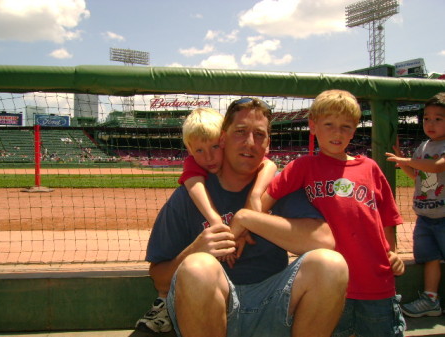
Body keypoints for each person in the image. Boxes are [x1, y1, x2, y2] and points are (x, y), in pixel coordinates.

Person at [143, 97, 348, 337]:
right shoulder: (189, 195)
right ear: (223, 138)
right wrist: (195, 250)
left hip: (274, 304)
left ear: (268, 144)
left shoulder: (278, 186)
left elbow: (324, 241)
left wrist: (248, 218)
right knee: (198, 267)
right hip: (209, 310)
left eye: (259, 135)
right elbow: (160, 279)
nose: (250, 143)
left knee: (330, 265)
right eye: (240, 132)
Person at [257, 90, 406, 337]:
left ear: (354, 129)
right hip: (330, 287)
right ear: (313, 126)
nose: (337, 133)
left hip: (376, 282)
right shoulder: (304, 166)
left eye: (346, 127)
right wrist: (244, 227)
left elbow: (388, 218)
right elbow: (266, 199)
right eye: (329, 125)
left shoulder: (369, 167)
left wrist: (394, 252)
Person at [137, 106, 277, 333]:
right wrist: (201, 244)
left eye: (214, 147)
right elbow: (158, 276)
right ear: (190, 150)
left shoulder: (266, 176)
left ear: (223, 141)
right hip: (203, 295)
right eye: (199, 150)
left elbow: (269, 164)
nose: (209, 157)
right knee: (197, 267)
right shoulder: (189, 185)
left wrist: (252, 199)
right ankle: (164, 302)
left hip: (268, 300)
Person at [386, 92, 445, 318]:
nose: (430, 123)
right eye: (427, 118)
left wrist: (407, 160)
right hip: (425, 217)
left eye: (438, 118)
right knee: (429, 258)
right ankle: (431, 299)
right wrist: (403, 160)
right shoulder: (423, 146)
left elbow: (438, 167)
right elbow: (418, 176)